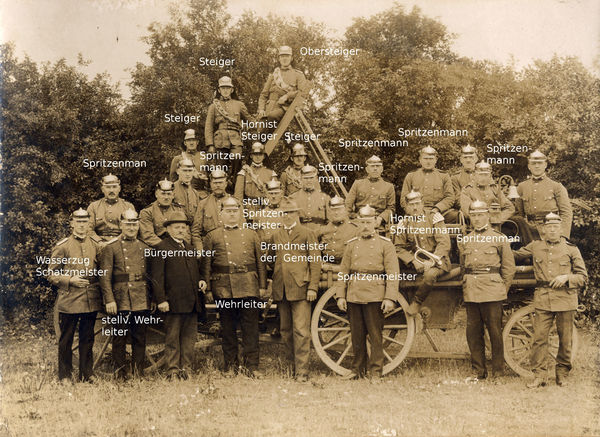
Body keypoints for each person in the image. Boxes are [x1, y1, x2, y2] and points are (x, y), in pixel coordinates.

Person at [513, 213, 588, 388]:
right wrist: (495, 244)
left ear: (560, 229)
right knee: (539, 338)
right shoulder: (536, 246)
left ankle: (562, 374)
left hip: (565, 298)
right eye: (549, 227)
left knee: (565, 338)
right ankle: (539, 376)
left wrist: (566, 277)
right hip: (543, 298)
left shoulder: (571, 248)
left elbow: (583, 277)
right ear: (544, 230)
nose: (552, 230)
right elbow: (514, 255)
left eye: (555, 227)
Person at [202, 197, 268, 377]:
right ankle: (230, 367)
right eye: (228, 211)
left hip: (248, 285)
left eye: (235, 211)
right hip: (224, 288)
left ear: (240, 213)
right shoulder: (212, 236)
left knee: (250, 329)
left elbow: (261, 262)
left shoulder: (251, 234)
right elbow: (206, 264)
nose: (232, 214)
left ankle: (251, 367)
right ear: (221, 214)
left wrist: (262, 286)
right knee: (228, 328)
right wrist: (208, 289)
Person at [336, 205, 399, 380]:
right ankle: (357, 370)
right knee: (356, 335)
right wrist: (341, 295)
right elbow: (343, 272)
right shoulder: (351, 245)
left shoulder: (385, 245)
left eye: (368, 222)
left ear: (375, 223)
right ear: (357, 223)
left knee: (375, 335)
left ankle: (375, 371)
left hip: (375, 295)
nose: (365, 226)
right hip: (354, 294)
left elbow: (393, 274)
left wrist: (389, 298)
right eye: (362, 222)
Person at [459, 200, 515, 379]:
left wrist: (501, 290)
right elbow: (463, 268)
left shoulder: (499, 238)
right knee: (473, 334)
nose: (476, 219)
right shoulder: (465, 240)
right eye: (473, 215)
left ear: (488, 216)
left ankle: (498, 372)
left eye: (480, 215)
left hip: (493, 291)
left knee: (495, 333)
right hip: (472, 291)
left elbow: (508, 269)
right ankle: (478, 371)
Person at [267, 198, 321, 382]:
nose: (287, 216)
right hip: (281, 289)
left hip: (301, 289)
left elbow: (315, 262)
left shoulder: (307, 234)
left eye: (290, 213)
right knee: (286, 330)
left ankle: (302, 372)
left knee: (301, 331)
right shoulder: (276, 235)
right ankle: (291, 367)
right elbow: (270, 260)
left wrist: (312, 286)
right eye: (284, 213)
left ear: (297, 214)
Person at [49, 208, 103, 382]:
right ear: (71, 223)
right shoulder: (63, 246)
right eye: (78, 221)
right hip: (70, 299)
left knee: (88, 339)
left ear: (89, 224)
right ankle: (64, 376)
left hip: (90, 298)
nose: (82, 225)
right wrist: (70, 280)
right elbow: (51, 274)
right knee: (66, 339)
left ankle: (87, 374)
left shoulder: (96, 244)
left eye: (85, 222)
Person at [151, 211, 206, 380]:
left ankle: (186, 369)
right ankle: (173, 370)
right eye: (177, 227)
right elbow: (156, 277)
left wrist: (201, 280)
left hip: (191, 302)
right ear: (168, 229)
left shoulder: (189, 248)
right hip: (173, 303)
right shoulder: (161, 248)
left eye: (183, 227)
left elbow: (194, 272)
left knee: (189, 340)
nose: (181, 230)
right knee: (173, 339)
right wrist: (161, 300)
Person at [99, 209, 151, 379]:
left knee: (140, 337)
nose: (131, 227)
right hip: (120, 299)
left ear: (138, 225)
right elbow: (105, 277)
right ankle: (120, 373)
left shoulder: (144, 247)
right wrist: (109, 300)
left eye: (134, 223)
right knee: (119, 338)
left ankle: (138, 373)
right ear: (121, 224)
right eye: (128, 223)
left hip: (141, 298)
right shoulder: (111, 247)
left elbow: (150, 277)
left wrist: (152, 299)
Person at [394, 190, 451, 316]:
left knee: (430, 275)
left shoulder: (434, 218)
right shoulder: (404, 223)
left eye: (417, 204)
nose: (415, 207)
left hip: (438, 261)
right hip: (417, 262)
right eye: (411, 205)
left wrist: (431, 261)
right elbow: (398, 247)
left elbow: (444, 243)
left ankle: (417, 302)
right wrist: (413, 261)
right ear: (407, 207)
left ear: (422, 204)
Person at [513, 150, 572, 243]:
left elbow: (566, 213)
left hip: (550, 230)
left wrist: (562, 236)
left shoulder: (556, 186)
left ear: (545, 165)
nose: (537, 166)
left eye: (540, 163)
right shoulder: (521, 187)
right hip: (528, 232)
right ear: (529, 166)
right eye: (533, 163)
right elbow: (518, 215)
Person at [204, 76, 251, 178]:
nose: (225, 90)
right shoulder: (214, 106)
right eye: (223, 88)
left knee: (237, 160)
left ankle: (234, 185)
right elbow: (208, 127)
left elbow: (250, 120)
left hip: (236, 139)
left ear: (232, 89)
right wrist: (210, 145)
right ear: (219, 90)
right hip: (220, 140)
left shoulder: (239, 104)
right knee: (221, 166)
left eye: (227, 88)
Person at [401, 146, 457, 222]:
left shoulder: (444, 176)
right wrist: (417, 210)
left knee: (455, 216)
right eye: (425, 158)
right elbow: (404, 199)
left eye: (431, 159)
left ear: (436, 160)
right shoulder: (411, 176)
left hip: (439, 212)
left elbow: (450, 197)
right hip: (416, 212)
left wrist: (437, 209)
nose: (428, 161)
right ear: (420, 160)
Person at [258, 46, 307, 122]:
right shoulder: (273, 75)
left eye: (287, 56)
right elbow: (263, 96)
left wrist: (287, 96)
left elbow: (303, 93)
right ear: (279, 59)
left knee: (272, 117)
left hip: (285, 108)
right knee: (259, 127)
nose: (284, 58)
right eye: (282, 56)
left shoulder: (298, 75)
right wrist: (261, 109)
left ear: (291, 58)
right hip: (269, 109)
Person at [345, 155, 395, 227]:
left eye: (377, 166)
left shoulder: (389, 187)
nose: (375, 169)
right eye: (372, 166)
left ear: (382, 169)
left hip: (378, 222)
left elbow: (391, 209)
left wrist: (380, 218)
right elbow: (348, 205)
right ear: (367, 169)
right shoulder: (357, 184)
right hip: (358, 222)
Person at [460, 161, 514, 226]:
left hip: (496, 225)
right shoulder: (467, 190)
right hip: (476, 226)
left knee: (519, 222)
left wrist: (497, 219)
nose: (483, 178)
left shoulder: (494, 189)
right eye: (480, 175)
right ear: (474, 175)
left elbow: (509, 208)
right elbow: (467, 212)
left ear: (490, 176)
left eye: (486, 175)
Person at [86, 174, 134, 247]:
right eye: (108, 187)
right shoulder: (93, 207)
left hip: (122, 243)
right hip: (98, 244)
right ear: (102, 189)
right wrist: (99, 242)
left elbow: (131, 229)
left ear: (119, 189)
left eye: (114, 187)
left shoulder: (128, 207)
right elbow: (88, 229)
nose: (111, 190)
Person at [140, 179, 190, 247]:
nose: (166, 197)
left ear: (173, 195)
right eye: (163, 194)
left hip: (178, 246)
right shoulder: (147, 212)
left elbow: (186, 234)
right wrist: (167, 248)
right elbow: (148, 236)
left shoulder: (179, 210)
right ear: (156, 194)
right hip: (157, 248)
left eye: (169, 194)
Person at [234, 142, 277, 217]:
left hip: (266, 209)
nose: (258, 157)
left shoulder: (271, 173)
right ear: (251, 156)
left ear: (264, 156)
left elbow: (276, 195)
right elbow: (238, 196)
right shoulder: (244, 172)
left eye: (260, 154)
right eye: (255, 154)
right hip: (248, 209)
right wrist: (241, 213)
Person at [315, 196, 359, 265]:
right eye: (333, 210)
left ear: (345, 210)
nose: (336, 213)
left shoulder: (355, 229)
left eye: (339, 209)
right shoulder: (323, 229)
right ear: (329, 211)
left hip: (347, 267)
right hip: (326, 267)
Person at [191, 169, 229, 248]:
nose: (217, 185)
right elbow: (195, 231)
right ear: (211, 184)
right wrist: (200, 248)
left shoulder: (235, 203)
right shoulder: (203, 204)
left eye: (220, 182)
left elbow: (242, 229)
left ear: (226, 184)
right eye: (215, 183)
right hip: (209, 247)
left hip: (229, 246)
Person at [289, 165, 330, 232]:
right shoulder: (293, 198)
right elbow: (288, 221)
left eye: (311, 178)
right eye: (305, 178)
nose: (308, 181)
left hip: (319, 235)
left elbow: (330, 222)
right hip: (299, 235)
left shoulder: (325, 198)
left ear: (316, 178)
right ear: (301, 178)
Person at [173, 158, 206, 223]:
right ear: (178, 171)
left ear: (193, 172)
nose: (187, 174)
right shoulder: (171, 190)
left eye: (190, 171)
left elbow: (197, 218)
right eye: (184, 171)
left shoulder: (195, 193)